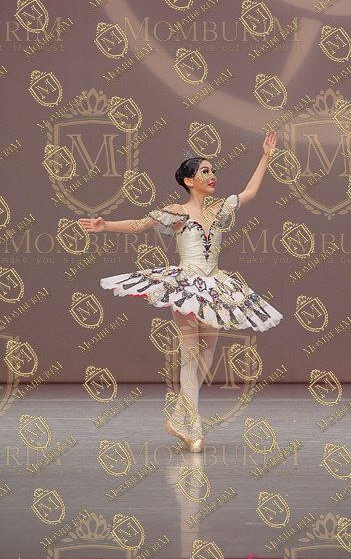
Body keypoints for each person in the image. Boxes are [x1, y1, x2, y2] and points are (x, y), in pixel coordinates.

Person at [79, 130, 283, 453]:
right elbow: (140, 224)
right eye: (205, 171)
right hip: (186, 285)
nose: (212, 176)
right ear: (189, 181)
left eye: (213, 171)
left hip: (216, 285)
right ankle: (194, 425)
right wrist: (106, 226)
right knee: (190, 350)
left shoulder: (220, 209)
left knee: (207, 352)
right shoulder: (177, 211)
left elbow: (250, 192)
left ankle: (178, 417)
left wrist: (266, 156)